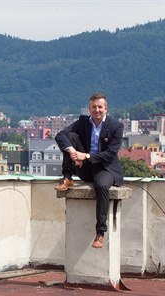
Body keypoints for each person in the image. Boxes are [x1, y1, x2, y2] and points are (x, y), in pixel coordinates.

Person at [54, 92, 124, 249]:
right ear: (89, 108)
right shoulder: (83, 122)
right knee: (70, 137)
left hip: (105, 168)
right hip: (84, 167)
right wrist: (73, 152)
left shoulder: (116, 126)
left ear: (106, 108)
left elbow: (110, 153)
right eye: (94, 107)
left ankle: (100, 232)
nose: (97, 110)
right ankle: (67, 177)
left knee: (101, 186)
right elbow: (60, 135)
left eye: (100, 107)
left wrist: (86, 156)